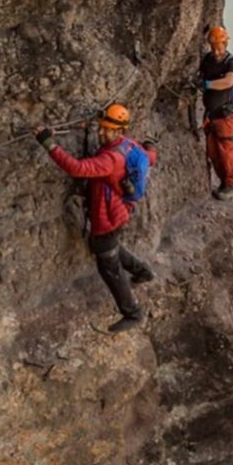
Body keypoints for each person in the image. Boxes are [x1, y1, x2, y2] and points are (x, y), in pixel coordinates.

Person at [34, 104, 157, 333]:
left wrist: (47, 143)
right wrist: (151, 146)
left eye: (106, 130)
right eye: (101, 128)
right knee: (111, 249)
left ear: (118, 131)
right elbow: (149, 157)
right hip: (118, 212)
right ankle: (143, 272)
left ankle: (132, 313)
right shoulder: (129, 145)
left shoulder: (111, 159)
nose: (101, 133)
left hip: (107, 219)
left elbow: (77, 168)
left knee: (108, 267)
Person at [199, 26, 233, 201]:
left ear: (225, 42)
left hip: (226, 115)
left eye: (220, 44)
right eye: (214, 44)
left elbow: (228, 82)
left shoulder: (232, 63)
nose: (217, 48)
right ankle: (224, 181)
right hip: (212, 114)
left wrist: (207, 85)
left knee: (226, 150)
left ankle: (230, 184)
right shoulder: (208, 60)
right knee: (213, 151)